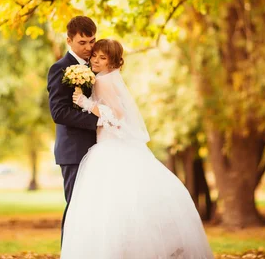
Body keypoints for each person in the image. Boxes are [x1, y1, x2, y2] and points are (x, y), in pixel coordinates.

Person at [61, 39, 213, 259]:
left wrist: (86, 104)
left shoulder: (103, 81)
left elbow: (117, 115)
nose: (95, 60)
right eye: (95, 55)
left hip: (109, 147)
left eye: (102, 58)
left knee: (106, 205)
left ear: (113, 62)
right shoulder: (108, 77)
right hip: (113, 145)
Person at [46, 16, 99, 244]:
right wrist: (96, 121)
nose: (88, 47)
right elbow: (58, 112)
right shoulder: (59, 69)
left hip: (100, 150)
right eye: (82, 42)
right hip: (74, 152)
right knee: (76, 207)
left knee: (96, 210)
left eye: (92, 41)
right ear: (69, 41)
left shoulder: (97, 66)